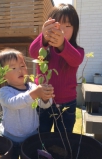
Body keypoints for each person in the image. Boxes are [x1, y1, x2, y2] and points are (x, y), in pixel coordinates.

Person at [29, 3, 85, 133]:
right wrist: (43, 36)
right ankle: (41, 154)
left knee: (63, 139)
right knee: (41, 136)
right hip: (43, 101)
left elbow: (75, 59)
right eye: (58, 25)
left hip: (67, 104)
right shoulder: (44, 49)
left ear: (75, 29)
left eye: (68, 26)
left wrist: (62, 44)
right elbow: (33, 52)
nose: (62, 30)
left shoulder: (77, 50)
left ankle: (62, 153)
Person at [0, 48, 54, 159]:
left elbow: (44, 105)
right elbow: (14, 103)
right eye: (13, 68)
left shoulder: (32, 87)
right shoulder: (4, 92)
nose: (20, 70)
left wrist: (45, 98)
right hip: (10, 138)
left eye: (22, 66)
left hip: (31, 137)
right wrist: (34, 94)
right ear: (2, 74)